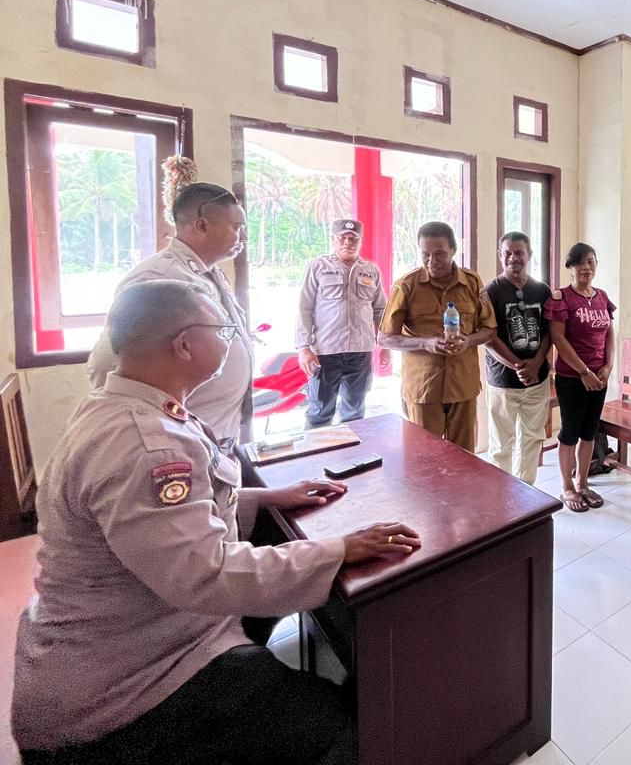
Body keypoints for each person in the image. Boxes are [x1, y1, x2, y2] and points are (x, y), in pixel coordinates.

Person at [12, 280, 421, 765]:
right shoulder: (148, 446)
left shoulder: (125, 407)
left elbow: (181, 516)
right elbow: (207, 574)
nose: (231, 340)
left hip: (135, 641)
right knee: (355, 727)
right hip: (127, 690)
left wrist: (264, 497)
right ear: (184, 344)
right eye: (223, 329)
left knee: (279, 550)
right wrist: (340, 548)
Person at [87, 182, 253, 446]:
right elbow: (109, 361)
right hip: (177, 437)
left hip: (213, 430)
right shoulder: (160, 277)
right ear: (202, 226)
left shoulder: (208, 272)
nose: (243, 237)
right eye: (236, 227)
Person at [379, 221, 496, 452]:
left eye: (440, 254)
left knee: (464, 459)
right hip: (424, 390)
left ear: (453, 250)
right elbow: (384, 338)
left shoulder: (472, 283)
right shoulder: (406, 286)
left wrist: (468, 341)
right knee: (425, 459)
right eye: (426, 254)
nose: (432, 261)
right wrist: (425, 343)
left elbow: (490, 329)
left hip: (463, 386)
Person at [296, 218, 390, 428]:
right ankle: (317, 450)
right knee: (319, 413)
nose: (348, 242)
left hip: (360, 352)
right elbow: (304, 307)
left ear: (360, 241)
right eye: (343, 238)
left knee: (355, 412)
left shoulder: (370, 270)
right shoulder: (318, 267)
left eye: (353, 239)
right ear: (333, 240)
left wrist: (385, 345)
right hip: (325, 352)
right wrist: (303, 347)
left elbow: (380, 311)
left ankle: (351, 450)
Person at [545, 243, 616, 513]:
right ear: (570, 267)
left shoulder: (602, 297)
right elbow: (558, 338)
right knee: (570, 432)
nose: (586, 267)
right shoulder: (562, 297)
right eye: (579, 263)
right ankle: (567, 487)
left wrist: (608, 366)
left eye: (590, 262)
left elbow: (610, 334)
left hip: (599, 377)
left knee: (589, 431)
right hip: (572, 378)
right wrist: (583, 371)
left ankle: (583, 483)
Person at [483, 232, 553, 484]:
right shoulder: (491, 291)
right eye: (508, 253)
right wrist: (518, 365)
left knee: (532, 440)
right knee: (501, 444)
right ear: (500, 255)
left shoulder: (542, 290)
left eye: (519, 253)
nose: (514, 258)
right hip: (503, 382)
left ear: (529, 255)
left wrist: (536, 363)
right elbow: (488, 337)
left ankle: (526, 493)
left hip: (537, 380)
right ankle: (500, 497)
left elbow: (550, 333)